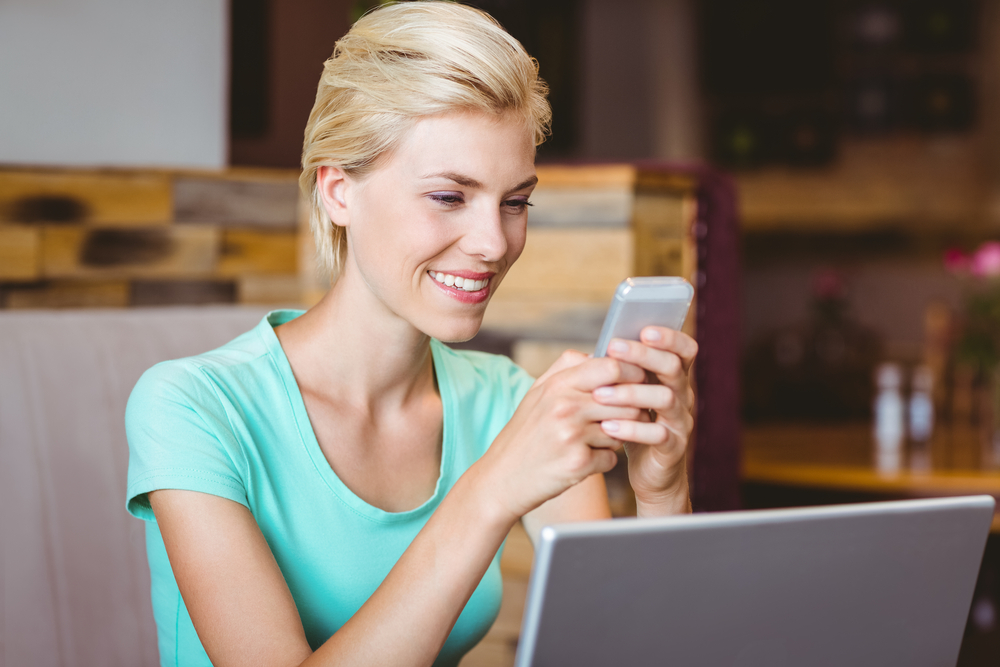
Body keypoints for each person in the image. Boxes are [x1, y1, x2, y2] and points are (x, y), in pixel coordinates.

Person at [125, 3, 698, 666]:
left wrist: (663, 492)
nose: (492, 243)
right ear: (339, 192)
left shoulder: (511, 401)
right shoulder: (191, 407)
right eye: (449, 196)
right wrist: (487, 491)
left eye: (515, 202)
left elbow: (631, 649)